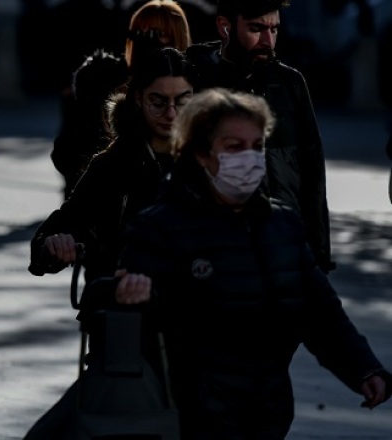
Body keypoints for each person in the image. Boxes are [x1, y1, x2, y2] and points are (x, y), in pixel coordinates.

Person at [115, 88, 391, 438]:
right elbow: (133, 326)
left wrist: (364, 369)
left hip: (268, 412)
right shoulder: (159, 227)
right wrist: (131, 302)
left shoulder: (283, 224)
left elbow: (319, 310)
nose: (249, 158)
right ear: (201, 153)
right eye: (234, 147)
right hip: (188, 415)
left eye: (257, 146)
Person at [24, 46, 193, 438]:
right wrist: (55, 245)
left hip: (197, 331)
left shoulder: (210, 162)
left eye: (182, 101)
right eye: (158, 101)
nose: (171, 113)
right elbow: (51, 234)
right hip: (124, 332)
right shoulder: (114, 163)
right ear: (137, 99)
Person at [185, 0, 333, 272]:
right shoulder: (194, 79)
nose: (268, 40)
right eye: (256, 28)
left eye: (274, 29)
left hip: (285, 247)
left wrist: (318, 254)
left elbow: (313, 174)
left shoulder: (290, 84)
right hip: (216, 252)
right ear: (225, 26)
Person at [52, 0, 192, 199]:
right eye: (140, 33)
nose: (148, 41)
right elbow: (68, 151)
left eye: (159, 34)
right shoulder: (103, 80)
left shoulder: (195, 83)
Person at [40, 0, 128, 96]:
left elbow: (121, 49)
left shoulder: (112, 13)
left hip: (105, 89)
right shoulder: (62, 14)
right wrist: (63, 84)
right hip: (73, 90)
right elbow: (53, 51)